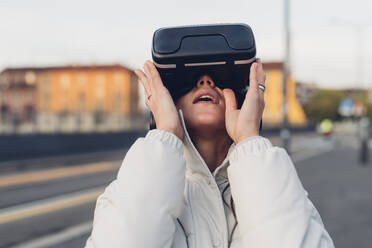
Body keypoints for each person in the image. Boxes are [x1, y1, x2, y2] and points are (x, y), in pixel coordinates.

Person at [85, 59, 334, 247]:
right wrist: (165, 136)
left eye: (219, 78)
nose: (206, 81)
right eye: (191, 80)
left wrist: (250, 140)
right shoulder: (140, 182)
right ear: (170, 102)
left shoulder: (274, 184)